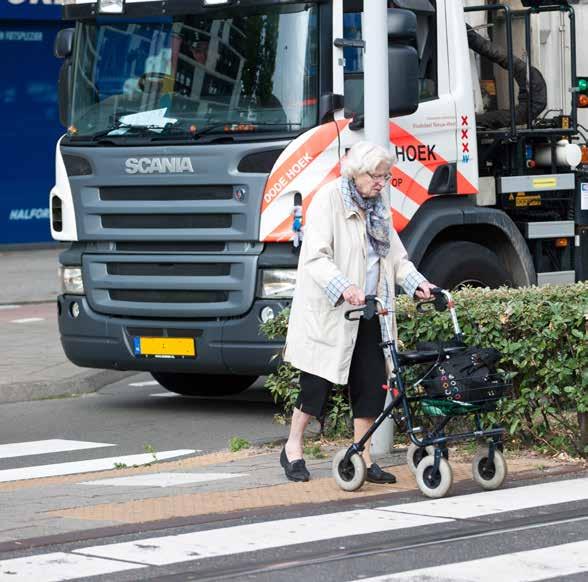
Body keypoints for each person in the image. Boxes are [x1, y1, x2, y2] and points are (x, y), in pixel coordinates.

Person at [281, 141, 437, 483]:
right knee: (316, 385)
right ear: (356, 173)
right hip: (333, 311)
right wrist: (343, 286)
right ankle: (293, 447)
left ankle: (361, 457)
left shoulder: (378, 205)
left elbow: (395, 256)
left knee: (371, 386)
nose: (382, 183)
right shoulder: (329, 200)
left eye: (386, 176)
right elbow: (315, 257)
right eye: (376, 176)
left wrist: (418, 284)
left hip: (370, 309)